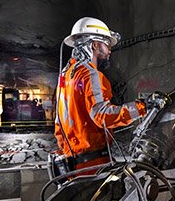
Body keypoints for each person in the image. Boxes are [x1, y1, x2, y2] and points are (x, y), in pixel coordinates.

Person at [53, 17, 162, 174]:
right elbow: (102, 115)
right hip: (93, 164)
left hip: (72, 164)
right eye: (107, 44)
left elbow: (59, 121)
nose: (110, 50)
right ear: (95, 45)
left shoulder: (66, 75)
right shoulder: (90, 75)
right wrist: (142, 107)